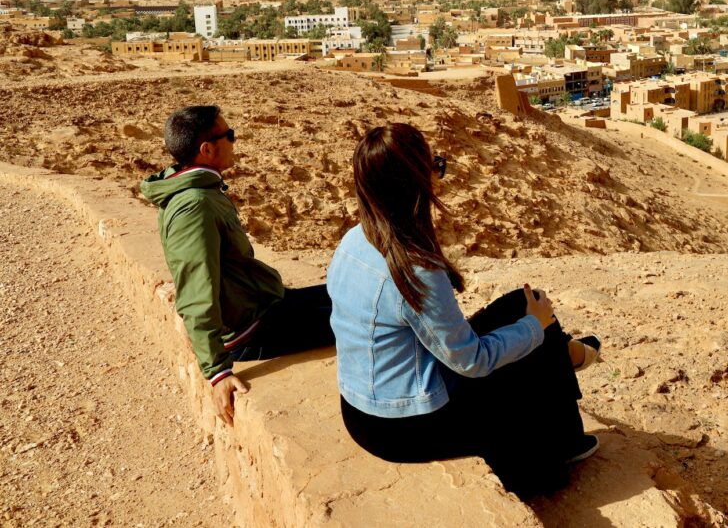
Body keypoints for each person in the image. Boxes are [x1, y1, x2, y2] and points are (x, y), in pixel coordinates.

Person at [327, 123, 601, 497]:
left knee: (525, 303)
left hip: (360, 409)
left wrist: (532, 323)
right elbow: (472, 361)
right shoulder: (415, 268)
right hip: (402, 425)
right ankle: (559, 444)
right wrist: (535, 329)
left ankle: (564, 356)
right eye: (435, 167)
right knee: (533, 341)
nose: (438, 177)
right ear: (415, 182)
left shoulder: (354, 240)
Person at [141, 105, 335, 426]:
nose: (234, 140)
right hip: (254, 330)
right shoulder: (194, 206)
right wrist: (217, 372)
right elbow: (194, 292)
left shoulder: (200, 191)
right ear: (207, 149)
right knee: (370, 316)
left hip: (264, 303)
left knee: (351, 290)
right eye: (228, 135)